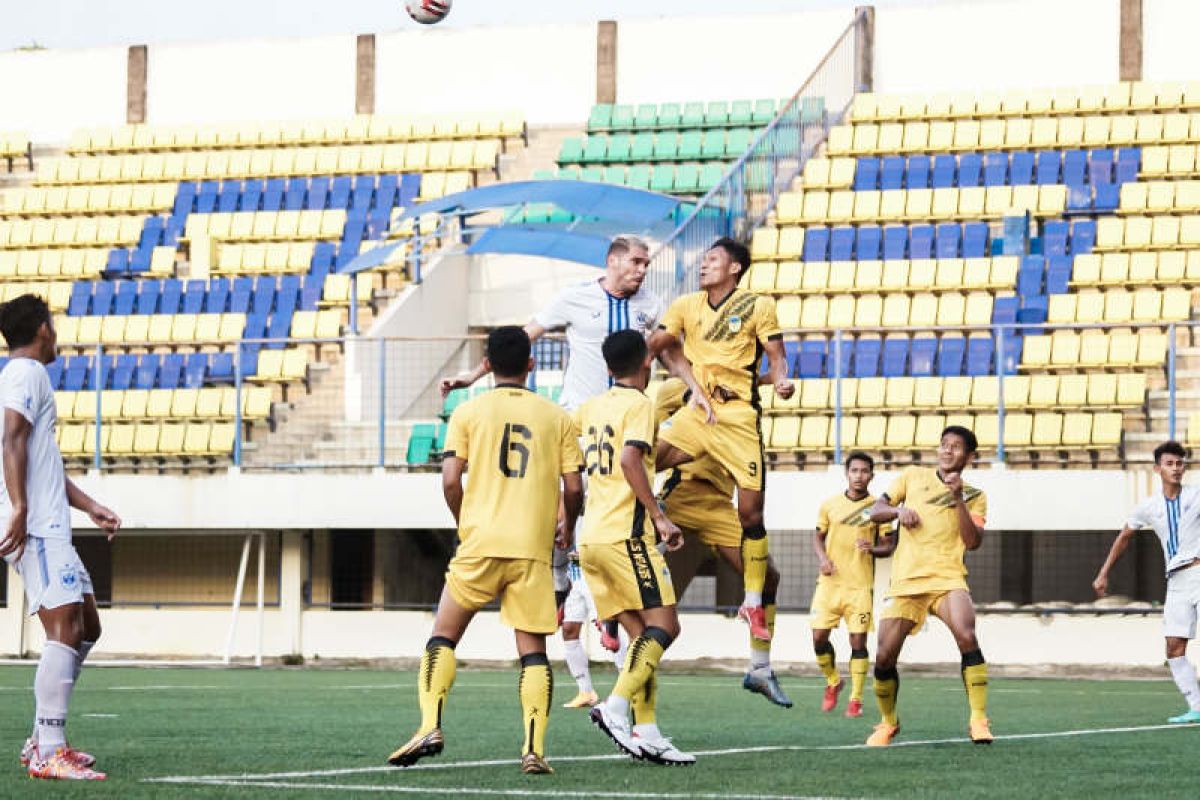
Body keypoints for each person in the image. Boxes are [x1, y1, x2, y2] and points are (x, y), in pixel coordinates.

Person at [440, 235, 712, 708]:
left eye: (647, 263)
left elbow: (668, 352)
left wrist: (696, 388)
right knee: (568, 503)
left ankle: (606, 617)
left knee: (629, 499)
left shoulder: (651, 306)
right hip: (578, 422)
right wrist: (471, 376)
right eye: (636, 261)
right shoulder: (573, 296)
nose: (643, 270)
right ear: (612, 261)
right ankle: (567, 582)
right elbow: (522, 338)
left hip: (625, 420)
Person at [387, 326, 584, 775]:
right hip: (531, 551)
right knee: (532, 651)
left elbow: (451, 480)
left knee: (443, 635)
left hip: (480, 545)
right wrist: (567, 525)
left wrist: (466, 522)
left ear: (488, 365)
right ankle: (534, 749)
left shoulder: (468, 412)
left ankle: (429, 725)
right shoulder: (558, 418)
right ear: (531, 366)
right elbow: (573, 487)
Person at [0, 294, 121, 781]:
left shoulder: (27, 376)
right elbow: (9, 437)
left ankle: (43, 741)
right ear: (43, 330)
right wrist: (21, 508)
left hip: (52, 523)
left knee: (86, 625)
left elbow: (38, 457)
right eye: (54, 324)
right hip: (38, 526)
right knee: (65, 626)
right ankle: (48, 748)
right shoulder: (26, 374)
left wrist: (90, 506)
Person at [650, 237, 794, 642]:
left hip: (736, 419)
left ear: (734, 268)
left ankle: (752, 604)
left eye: (712, 259)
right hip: (699, 414)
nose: (703, 264)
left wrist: (781, 379)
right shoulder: (684, 307)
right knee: (639, 461)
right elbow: (657, 344)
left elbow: (776, 355)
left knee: (752, 514)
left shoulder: (758, 305)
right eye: (704, 258)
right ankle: (595, 552)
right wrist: (636, 363)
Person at [579, 330, 694, 766]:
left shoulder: (590, 408)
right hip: (626, 537)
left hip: (591, 537)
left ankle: (647, 732)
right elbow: (630, 459)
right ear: (648, 361)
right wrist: (660, 517)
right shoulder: (640, 405)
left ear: (608, 368)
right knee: (666, 626)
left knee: (638, 640)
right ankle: (614, 708)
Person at [652, 377, 791, 707]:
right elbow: (650, 445)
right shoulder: (672, 388)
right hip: (680, 495)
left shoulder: (739, 385)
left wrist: (777, 378)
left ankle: (760, 668)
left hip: (718, 504)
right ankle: (610, 624)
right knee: (642, 577)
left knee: (768, 576)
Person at [865, 426, 992, 747]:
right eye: (944, 445)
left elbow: (973, 542)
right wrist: (898, 510)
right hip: (906, 581)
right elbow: (875, 511)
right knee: (882, 657)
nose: (948, 451)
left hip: (947, 577)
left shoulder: (976, 495)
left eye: (957, 447)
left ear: (970, 456)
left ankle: (978, 720)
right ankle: (887, 723)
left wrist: (958, 498)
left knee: (967, 634)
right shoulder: (912, 476)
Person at [1093, 440, 1200, 724]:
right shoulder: (1148, 506)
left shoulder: (1197, 494)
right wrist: (1104, 572)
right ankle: (1196, 708)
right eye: (1170, 463)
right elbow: (1124, 537)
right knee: (1174, 647)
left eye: (1180, 463)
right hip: (1176, 581)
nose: (1176, 468)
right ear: (1157, 468)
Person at [811, 452, 891, 718]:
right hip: (829, 584)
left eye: (864, 471)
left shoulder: (879, 509)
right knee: (818, 637)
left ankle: (856, 699)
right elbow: (817, 537)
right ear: (847, 473)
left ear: (872, 475)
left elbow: (889, 546)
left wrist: (873, 548)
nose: (859, 476)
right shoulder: (829, 505)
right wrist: (823, 559)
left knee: (858, 642)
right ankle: (834, 681)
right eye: (854, 470)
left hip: (859, 587)